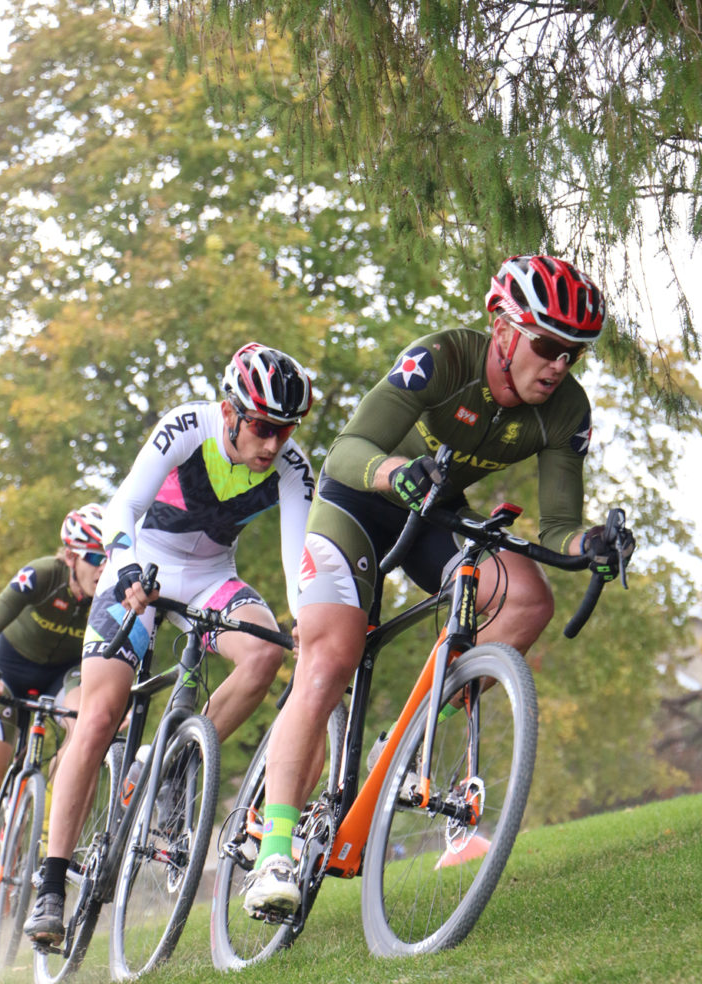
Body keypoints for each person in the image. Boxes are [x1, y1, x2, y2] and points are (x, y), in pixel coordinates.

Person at [242, 254, 636, 917]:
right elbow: (343, 453)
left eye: (574, 352)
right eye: (547, 344)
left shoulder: (566, 408)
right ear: (501, 327)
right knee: (332, 656)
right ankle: (274, 852)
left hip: (434, 517)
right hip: (358, 502)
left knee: (528, 597)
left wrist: (590, 542)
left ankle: (407, 745)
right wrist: (397, 471)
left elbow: (560, 523)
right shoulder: (443, 359)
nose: (560, 364)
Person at [23, 342, 315, 946]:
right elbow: (124, 505)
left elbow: (297, 561)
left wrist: (306, 616)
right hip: (138, 567)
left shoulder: (291, 466)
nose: (272, 444)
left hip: (210, 578)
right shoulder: (187, 426)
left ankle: (175, 759)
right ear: (232, 411)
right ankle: (51, 882)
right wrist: (125, 567)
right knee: (100, 713)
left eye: (284, 432)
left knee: (264, 651)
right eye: (262, 427)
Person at [0, 505, 106, 957]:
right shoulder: (41, 576)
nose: (104, 567)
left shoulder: (110, 590)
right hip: (7, 674)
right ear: (71, 556)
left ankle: (53, 838)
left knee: (86, 721)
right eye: (96, 557)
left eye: (110, 557)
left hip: (64, 677)